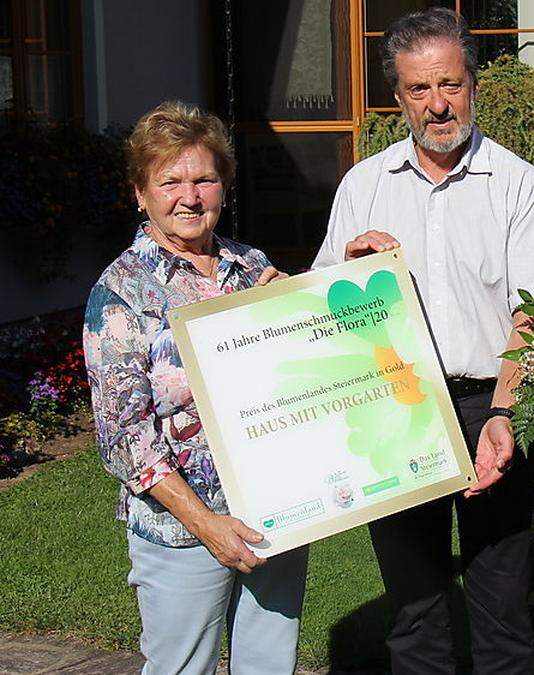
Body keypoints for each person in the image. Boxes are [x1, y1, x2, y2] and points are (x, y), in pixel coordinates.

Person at [311, 8, 534, 674]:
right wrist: (348, 268)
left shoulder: (517, 184)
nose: (437, 104)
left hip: (494, 403)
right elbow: (318, 312)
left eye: (450, 85)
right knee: (414, 613)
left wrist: (507, 413)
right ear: (398, 98)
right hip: (394, 410)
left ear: (473, 84)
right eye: (419, 90)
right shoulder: (362, 186)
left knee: (502, 611)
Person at [83, 101, 307, 674]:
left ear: (224, 186)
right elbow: (125, 439)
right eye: (170, 181)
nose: (190, 195)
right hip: (183, 530)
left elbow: (296, 382)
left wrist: (298, 315)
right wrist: (207, 526)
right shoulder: (121, 293)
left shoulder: (251, 267)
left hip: (276, 512)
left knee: (269, 666)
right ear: (140, 192)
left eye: (205, 178)